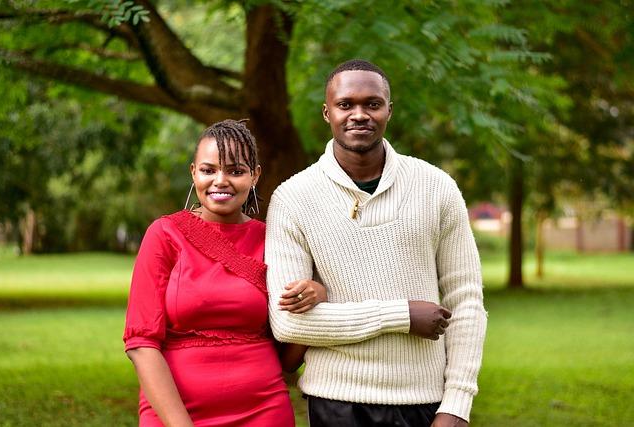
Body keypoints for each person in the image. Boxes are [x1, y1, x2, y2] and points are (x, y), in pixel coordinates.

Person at [266, 60, 487, 427]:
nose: (359, 114)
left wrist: (457, 405)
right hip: (336, 403)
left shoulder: (436, 187)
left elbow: (465, 300)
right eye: (345, 104)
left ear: (389, 110)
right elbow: (289, 324)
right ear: (327, 112)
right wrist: (402, 315)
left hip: (425, 401)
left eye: (372, 104)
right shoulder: (293, 198)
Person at [123, 119, 326, 427]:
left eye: (235, 171)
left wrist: (318, 298)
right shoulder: (165, 235)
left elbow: (289, 359)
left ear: (255, 175)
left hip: (263, 410)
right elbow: (141, 343)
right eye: (209, 170)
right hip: (175, 414)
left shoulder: (273, 240)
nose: (220, 181)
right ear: (194, 172)